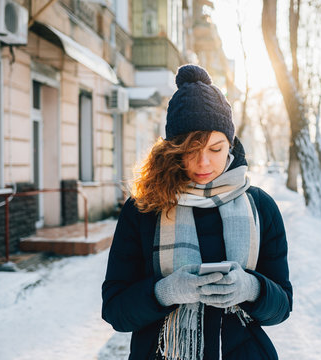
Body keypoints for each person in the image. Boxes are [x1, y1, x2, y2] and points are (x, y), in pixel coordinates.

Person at [101, 64, 292, 360]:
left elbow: (282, 307)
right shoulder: (143, 208)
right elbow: (115, 311)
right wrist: (166, 292)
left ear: (230, 144)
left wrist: (251, 288)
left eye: (215, 149)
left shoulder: (260, 207)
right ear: (173, 149)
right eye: (191, 149)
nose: (203, 163)